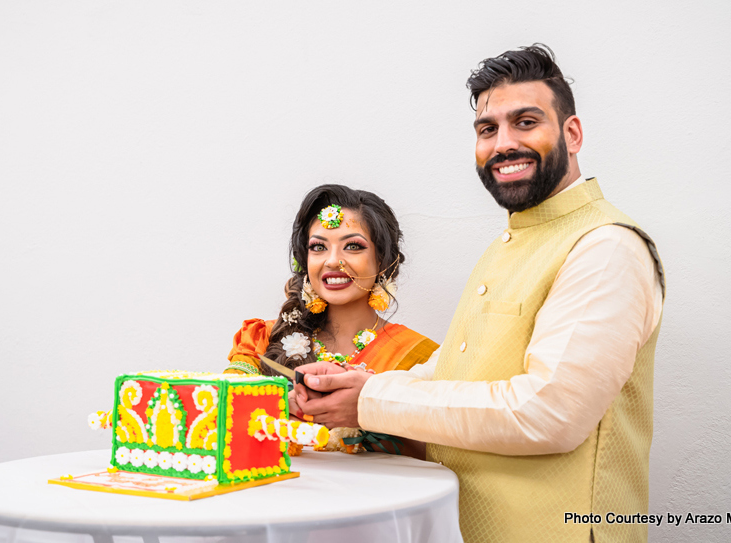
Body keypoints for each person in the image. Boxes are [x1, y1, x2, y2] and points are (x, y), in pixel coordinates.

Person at [295, 45, 665, 543]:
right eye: (488, 129)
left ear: (572, 134)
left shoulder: (604, 248)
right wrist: (357, 382)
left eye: (526, 122)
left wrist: (372, 399)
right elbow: (461, 371)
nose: (503, 143)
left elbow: (548, 414)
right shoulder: (508, 245)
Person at [223, 184, 438, 457]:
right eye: (318, 247)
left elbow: (436, 453)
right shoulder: (262, 339)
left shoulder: (419, 358)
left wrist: (369, 413)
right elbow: (219, 415)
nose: (333, 261)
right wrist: (276, 405)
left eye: (352, 246)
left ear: (384, 260)